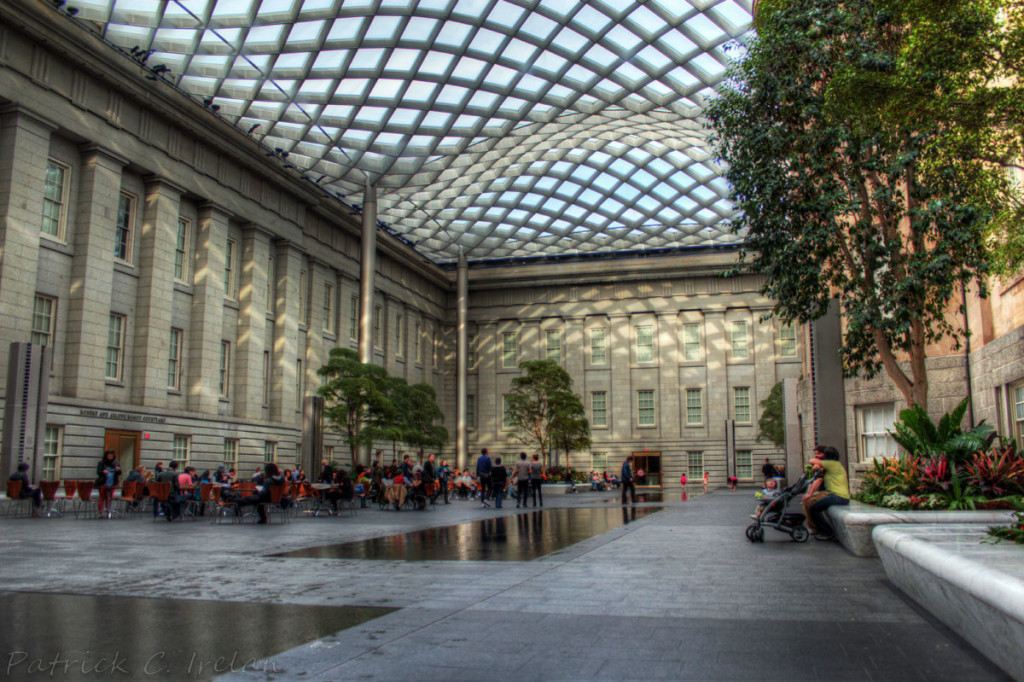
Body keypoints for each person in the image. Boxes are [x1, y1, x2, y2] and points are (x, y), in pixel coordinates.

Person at [802, 445, 850, 541]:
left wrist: (817, 464)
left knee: (814, 508)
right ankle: (821, 530)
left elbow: (812, 461)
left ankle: (827, 532)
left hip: (838, 496)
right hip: (836, 495)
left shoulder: (832, 464)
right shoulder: (834, 465)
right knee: (814, 507)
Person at [95, 449, 122, 518]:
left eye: (111, 456)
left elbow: (119, 473)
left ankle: (108, 512)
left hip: (112, 482)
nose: (110, 457)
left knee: (109, 497)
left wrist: (118, 469)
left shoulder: (116, 463)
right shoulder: (102, 463)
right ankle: (101, 513)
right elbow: (98, 472)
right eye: (109, 456)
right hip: (103, 482)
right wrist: (103, 472)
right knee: (102, 497)